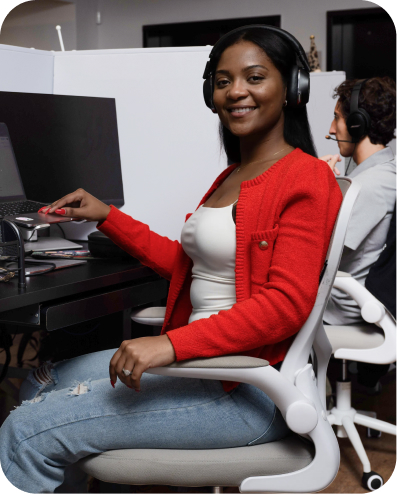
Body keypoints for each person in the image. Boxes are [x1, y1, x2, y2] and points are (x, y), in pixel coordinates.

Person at [0, 26, 342, 493]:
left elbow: (285, 303)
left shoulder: (304, 178)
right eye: (222, 81)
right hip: (204, 368)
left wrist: (170, 346)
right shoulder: (234, 175)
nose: (236, 91)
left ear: (292, 88)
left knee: (24, 432)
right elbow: (186, 265)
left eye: (255, 77)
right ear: (210, 94)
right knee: (40, 379)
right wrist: (108, 216)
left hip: (243, 389)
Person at [321, 77, 396, 326]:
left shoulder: (370, 185)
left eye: (337, 118)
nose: (331, 130)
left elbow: (320, 251)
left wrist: (319, 190)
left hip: (341, 307)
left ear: (356, 124)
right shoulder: (384, 170)